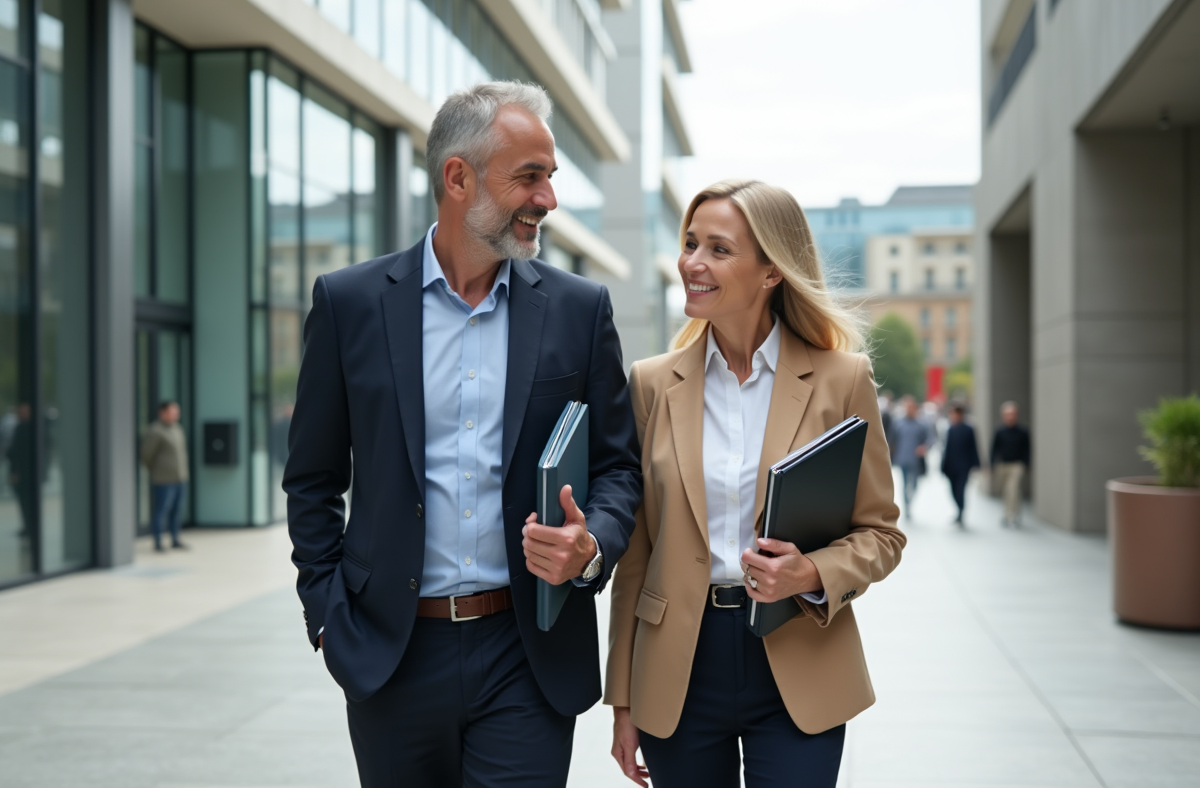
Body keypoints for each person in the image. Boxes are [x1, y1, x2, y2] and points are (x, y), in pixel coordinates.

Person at [284, 81, 641, 788]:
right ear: (458, 178)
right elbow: (312, 479)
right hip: (391, 652)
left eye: (550, 177)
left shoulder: (579, 310)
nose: (547, 198)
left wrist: (592, 544)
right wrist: (327, 614)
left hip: (528, 651)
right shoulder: (350, 304)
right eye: (529, 177)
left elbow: (618, 468)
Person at [606, 180, 905, 788]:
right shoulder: (651, 384)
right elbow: (635, 557)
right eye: (691, 244)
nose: (693, 262)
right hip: (678, 668)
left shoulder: (843, 380)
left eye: (718, 249)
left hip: (800, 657)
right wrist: (624, 698)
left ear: (772, 271)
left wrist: (811, 573)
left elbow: (881, 534)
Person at [140, 400, 189, 552]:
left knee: (176, 511)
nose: (176, 415)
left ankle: (175, 539)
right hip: (163, 479)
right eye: (173, 412)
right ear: (162, 413)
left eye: (177, 412)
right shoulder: (155, 431)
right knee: (161, 510)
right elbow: (146, 455)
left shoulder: (177, 429)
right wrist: (157, 470)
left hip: (180, 478)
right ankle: (158, 541)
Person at [890, 395, 934, 518]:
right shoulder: (898, 423)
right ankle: (906, 506)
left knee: (914, 484)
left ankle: (910, 501)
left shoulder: (922, 424)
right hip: (902, 458)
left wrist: (924, 447)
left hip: (915, 460)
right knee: (904, 484)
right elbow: (892, 440)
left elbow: (930, 439)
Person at [991, 400, 1031, 526]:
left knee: (1013, 489)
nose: (1010, 416)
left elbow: (1027, 449)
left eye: (1012, 414)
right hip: (1003, 465)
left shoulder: (1023, 431)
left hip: (1017, 465)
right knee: (1006, 491)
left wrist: (1026, 463)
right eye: (1008, 414)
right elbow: (994, 448)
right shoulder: (1000, 431)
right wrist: (992, 464)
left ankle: (1012, 515)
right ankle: (1008, 514)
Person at [940, 404, 981, 525]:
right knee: (952, 490)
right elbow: (946, 449)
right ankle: (959, 509)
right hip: (951, 466)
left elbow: (974, 447)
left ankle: (961, 511)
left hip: (964, 466)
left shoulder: (968, 429)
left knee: (961, 489)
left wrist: (976, 463)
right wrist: (943, 465)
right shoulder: (950, 430)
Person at [6, 402, 38, 538]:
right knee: (26, 502)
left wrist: (15, 471)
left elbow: (17, 452)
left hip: (24, 473)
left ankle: (29, 526)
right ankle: (29, 526)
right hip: (28, 473)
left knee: (25, 502)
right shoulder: (32, 428)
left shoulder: (23, 428)